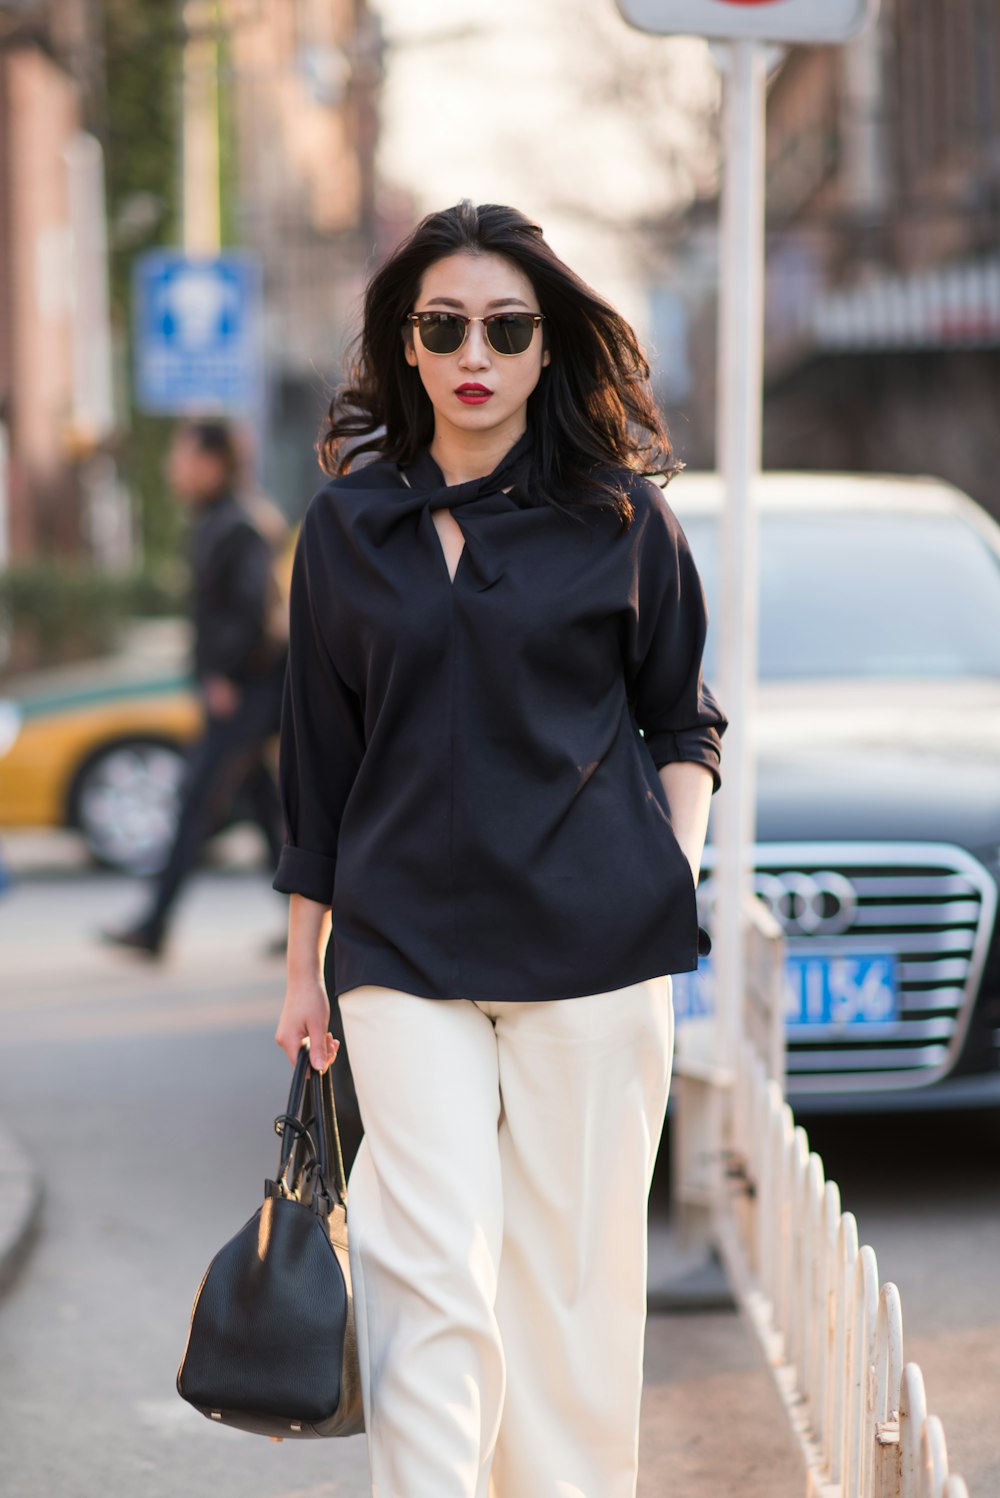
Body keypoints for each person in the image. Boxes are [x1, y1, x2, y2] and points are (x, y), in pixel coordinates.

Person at [272, 201, 727, 1498]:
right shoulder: (347, 530)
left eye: (508, 326)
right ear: (405, 347)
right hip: (401, 948)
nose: (477, 350)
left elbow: (683, 718)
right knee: (431, 1273)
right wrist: (303, 965)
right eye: (446, 325)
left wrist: (671, 869)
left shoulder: (621, 519)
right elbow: (318, 763)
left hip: (596, 949)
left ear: (545, 347)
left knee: (569, 1297)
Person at [103, 419, 287, 958]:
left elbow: (257, 613)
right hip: (240, 687)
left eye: (183, 459)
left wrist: (225, 674)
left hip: (247, 689)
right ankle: (316, 920)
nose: (174, 470)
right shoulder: (220, 519)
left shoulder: (239, 525)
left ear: (213, 463)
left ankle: (155, 924)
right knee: (261, 805)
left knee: (196, 799)